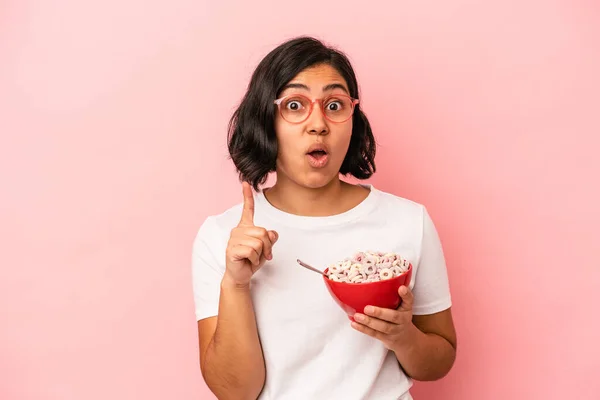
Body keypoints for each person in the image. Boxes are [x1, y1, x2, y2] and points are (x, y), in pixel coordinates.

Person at [192, 36, 457, 400]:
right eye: (295, 105)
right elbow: (235, 392)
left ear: (353, 118)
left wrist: (403, 337)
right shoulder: (222, 237)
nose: (318, 124)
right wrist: (235, 284)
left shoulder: (408, 221)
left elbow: (439, 361)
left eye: (334, 104)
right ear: (266, 121)